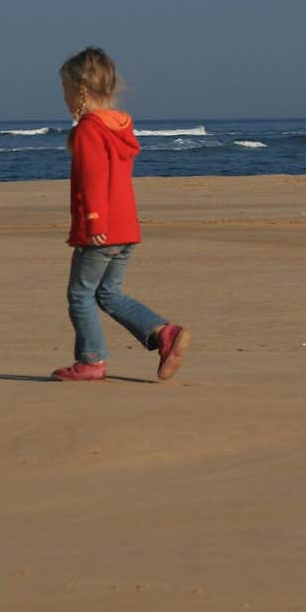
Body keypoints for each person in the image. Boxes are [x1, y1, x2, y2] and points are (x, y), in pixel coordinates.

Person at [52, 47, 190, 382]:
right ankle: (163, 333)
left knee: (80, 294)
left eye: (66, 90)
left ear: (80, 91)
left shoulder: (89, 129)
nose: (65, 98)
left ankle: (91, 360)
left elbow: (93, 177)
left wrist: (94, 221)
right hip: (126, 227)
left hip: (102, 230)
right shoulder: (120, 126)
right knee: (108, 294)